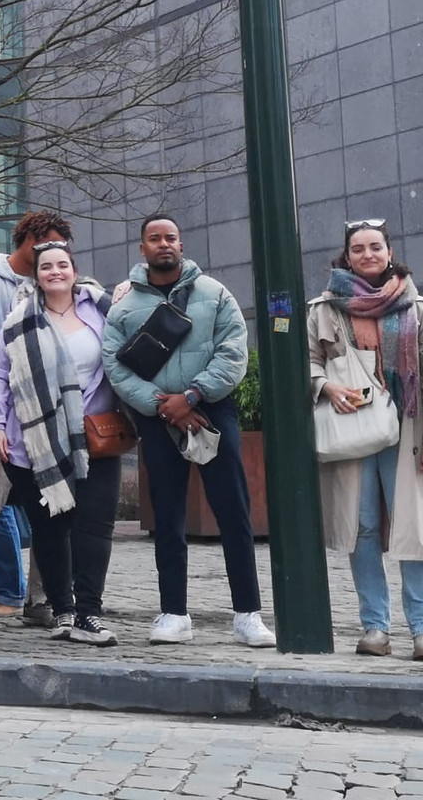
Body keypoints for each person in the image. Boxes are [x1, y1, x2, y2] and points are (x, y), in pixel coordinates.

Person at [103, 215, 274, 647]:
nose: (164, 244)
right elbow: (115, 368)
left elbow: (234, 350)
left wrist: (193, 396)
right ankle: (173, 613)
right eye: (155, 238)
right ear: (142, 249)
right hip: (159, 420)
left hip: (212, 411)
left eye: (171, 237)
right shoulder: (122, 308)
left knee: (233, 511)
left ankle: (248, 614)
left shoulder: (215, 294)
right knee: (169, 516)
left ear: (182, 243)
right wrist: (166, 407)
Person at [308, 221, 423, 661]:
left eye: (375, 247)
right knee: (362, 528)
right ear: (345, 256)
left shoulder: (415, 305)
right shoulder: (324, 308)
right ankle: (375, 627)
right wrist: (326, 387)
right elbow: (305, 361)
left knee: (414, 527)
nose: (367, 254)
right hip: (351, 428)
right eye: (358, 248)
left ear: (389, 252)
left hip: (407, 428)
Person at [0, 241, 123, 646]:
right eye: (47, 266)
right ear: (37, 276)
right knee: (50, 527)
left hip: (96, 437)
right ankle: (62, 610)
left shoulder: (101, 311)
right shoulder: (17, 322)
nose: (55, 272)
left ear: (74, 271)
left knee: (95, 527)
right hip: (34, 441)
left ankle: (89, 614)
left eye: (62, 264)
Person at [0, 210, 70, 629]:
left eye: (63, 252)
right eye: (48, 247)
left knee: (50, 511)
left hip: (45, 416)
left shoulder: (50, 285)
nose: (54, 258)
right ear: (28, 241)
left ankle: (40, 599)